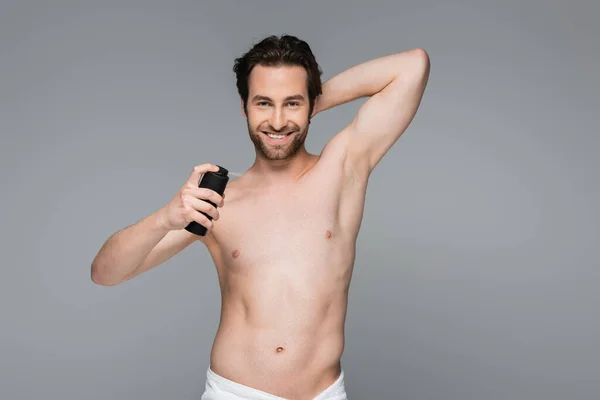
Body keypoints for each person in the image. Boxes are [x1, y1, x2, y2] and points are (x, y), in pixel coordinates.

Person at [91, 34, 430, 400]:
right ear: (245, 108)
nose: (279, 120)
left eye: (292, 104)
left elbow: (413, 66)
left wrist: (310, 101)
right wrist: (165, 218)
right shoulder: (217, 201)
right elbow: (105, 273)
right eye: (263, 104)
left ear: (311, 105)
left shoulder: (343, 170)